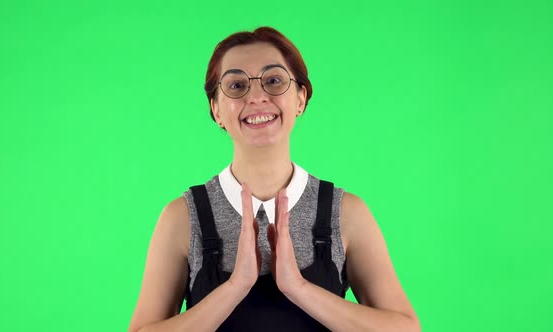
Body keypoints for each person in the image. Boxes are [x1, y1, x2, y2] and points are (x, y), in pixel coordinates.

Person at [128, 27, 420, 332]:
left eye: (274, 81)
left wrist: (299, 289)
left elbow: (405, 328)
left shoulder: (345, 214)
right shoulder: (183, 219)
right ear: (216, 109)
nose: (256, 97)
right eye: (237, 85)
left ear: (300, 98)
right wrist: (234, 288)